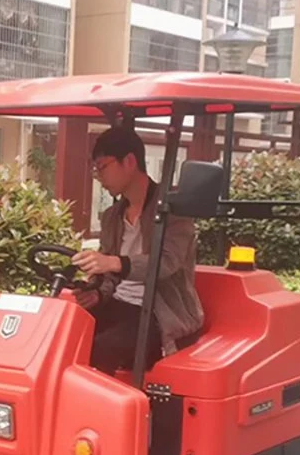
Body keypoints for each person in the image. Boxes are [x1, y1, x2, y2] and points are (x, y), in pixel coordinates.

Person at [71, 126, 204, 375]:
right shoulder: (112, 217)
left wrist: (114, 263)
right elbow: (110, 278)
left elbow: (166, 263)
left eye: (102, 167)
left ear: (129, 161)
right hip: (120, 304)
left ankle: (104, 412)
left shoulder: (173, 213)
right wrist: (98, 294)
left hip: (161, 313)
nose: (98, 176)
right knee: (65, 333)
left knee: (102, 348)